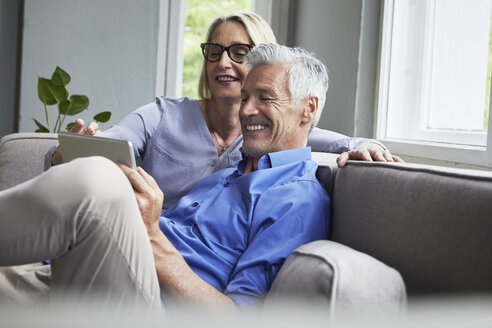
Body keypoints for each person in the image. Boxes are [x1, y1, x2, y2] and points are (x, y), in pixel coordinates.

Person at [1, 43, 333, 312]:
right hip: (83, 272)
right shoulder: (225, 175)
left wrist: (149, 233)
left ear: (308, 109)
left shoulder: (299, 197)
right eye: (246, 97)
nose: (245, 109)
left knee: (101, 178)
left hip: (151, 307)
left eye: (265, 97)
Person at [48, 11, 401, 211]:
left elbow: (339, 140)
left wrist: (367, 146)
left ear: (264, 60)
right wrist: (71, 149)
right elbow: (106, 144)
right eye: (214, 51)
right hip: (144, 232)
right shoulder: (160, 115)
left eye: (239, 52)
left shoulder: (267, 131)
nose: (223, 62)